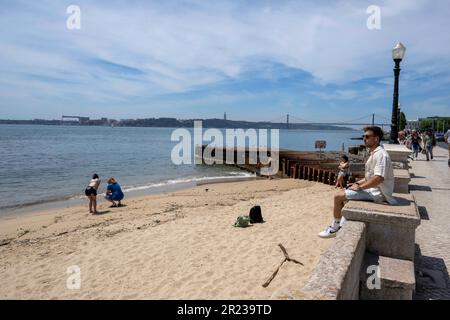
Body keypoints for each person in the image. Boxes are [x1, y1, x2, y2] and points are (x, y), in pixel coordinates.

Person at [319, 126, 396, 238]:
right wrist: (358, 183)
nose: (364, 139)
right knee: (346, 192)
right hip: (372, 190)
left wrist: (360, 187)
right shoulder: (374, 153)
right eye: (363, 136)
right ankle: (342, 224)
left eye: (367, 136)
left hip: (378, 194)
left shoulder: (381, 155)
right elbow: (370, 176)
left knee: (337, 196)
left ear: (376, 139)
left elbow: (379, 178)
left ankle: (334, 229)